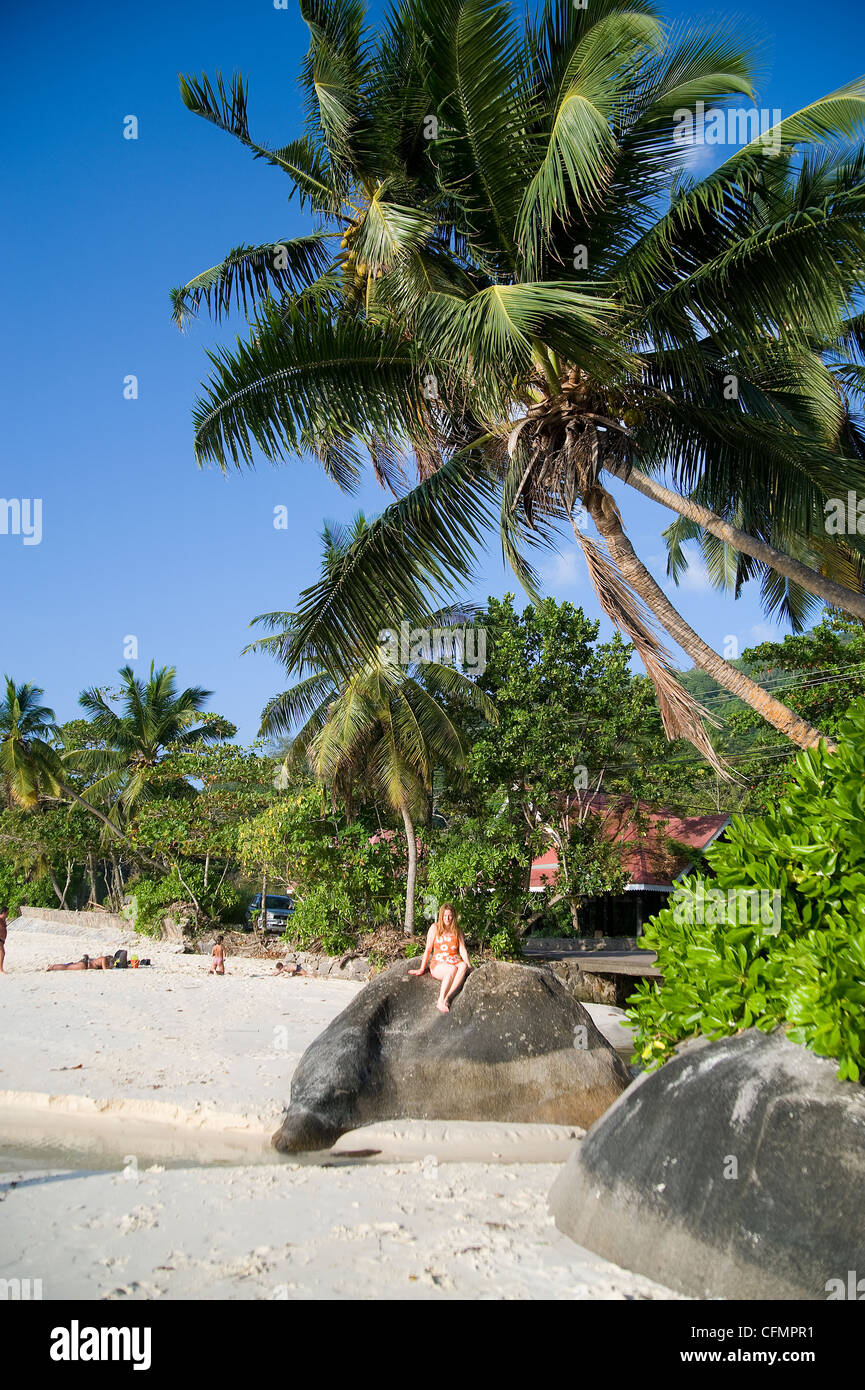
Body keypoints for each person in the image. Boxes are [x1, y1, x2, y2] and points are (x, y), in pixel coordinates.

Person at [409, 903, 471, 1013]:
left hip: (454, 959)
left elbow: (462, 949)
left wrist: (469, 964)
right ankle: (440, 1000)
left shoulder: (457, 930)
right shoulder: (435, 928)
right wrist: (421, 969)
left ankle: (448, 997)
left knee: (463, 966)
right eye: (445, 915)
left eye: (450, 915)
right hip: (439, 962)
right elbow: (428, 949)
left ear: (453, 916)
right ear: (441, 916)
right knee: (451, 970)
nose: (447, 918)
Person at [0, 905, 8, 975]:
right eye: (7, 913)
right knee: (2, 952)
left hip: (2, 939)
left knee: (2, 953)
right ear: (4, 912)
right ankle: (1, 969)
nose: (7, 915)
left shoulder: (3, 920)